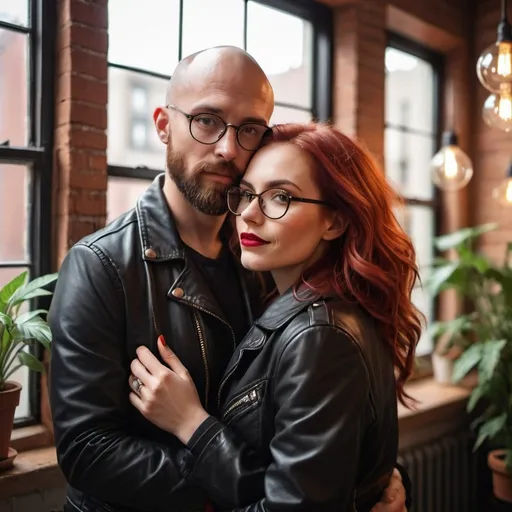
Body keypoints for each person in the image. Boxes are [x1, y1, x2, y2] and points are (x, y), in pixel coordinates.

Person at [49, 46, 410, 512]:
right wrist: (262, 490)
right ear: (163, 125)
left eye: (250, 129)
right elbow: (87, 449)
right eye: (206, 120)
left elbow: (315, 421)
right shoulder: (100, 266)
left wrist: (368, 478)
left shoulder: (270, 258)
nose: (228, 148)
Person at [128, 122, 423, 511]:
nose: (249, 214)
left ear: (334, 221)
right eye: (247, 193)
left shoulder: (321, 335)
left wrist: (191, 424)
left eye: (280, 196)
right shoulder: (312, 307)